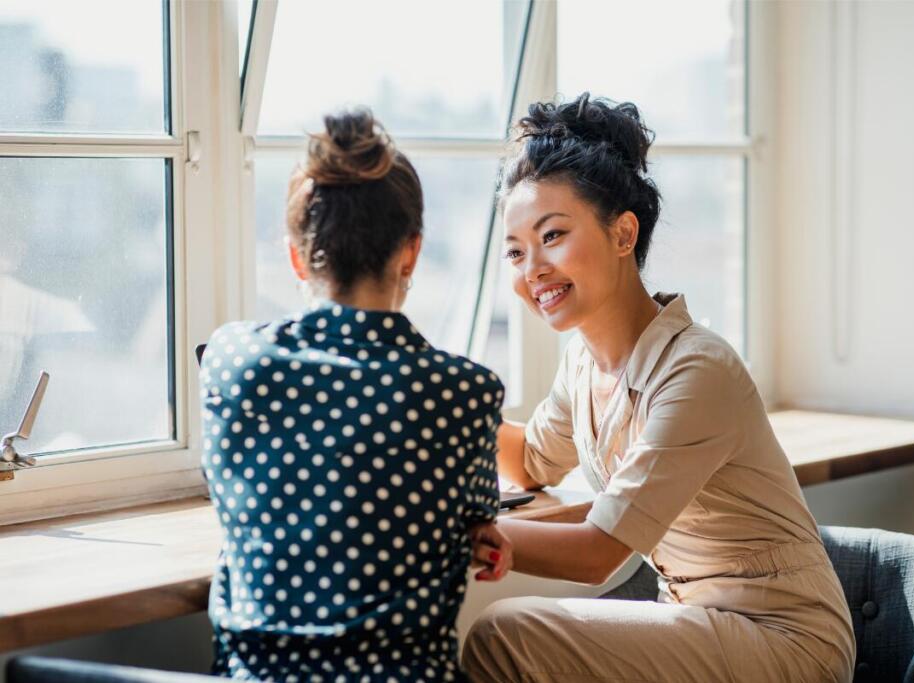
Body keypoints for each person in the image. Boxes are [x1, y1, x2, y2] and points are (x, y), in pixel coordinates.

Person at [462, 93, 855, 683]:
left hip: (788, 640)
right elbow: (534, 462)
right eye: (516, 252)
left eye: (553, 236)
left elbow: (599, 553)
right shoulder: (583, 365)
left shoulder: (697, 369)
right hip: (697, 621)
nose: (532, 269)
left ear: (624, 235)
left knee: (505, 634)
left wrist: (449, 532)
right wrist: (445, 401)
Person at [200, 109, 512, 683]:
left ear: (298, 256)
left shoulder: (230, 360)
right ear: (410, 253)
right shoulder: (466, 392)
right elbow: (476, 521)